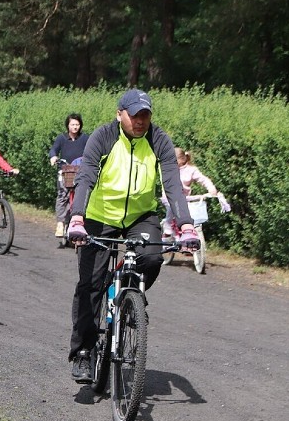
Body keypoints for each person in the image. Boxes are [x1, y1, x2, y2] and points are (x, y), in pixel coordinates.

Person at [66, 88, 201, 383]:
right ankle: (84, 352)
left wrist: (187, 225)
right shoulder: (102, 137)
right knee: (90, 286)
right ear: (120, 114)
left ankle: (131, 300)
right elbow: (86, 175)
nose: (141, 121)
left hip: (141, 216)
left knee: (152, 258)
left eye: (146, 115)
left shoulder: (159, 140)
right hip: (99, 217)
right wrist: (77, 217)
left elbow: (172, 184)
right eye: (135, 115)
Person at [161, 148, 230, 234]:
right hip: (169, 196)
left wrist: (211, 188)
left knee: (190, 214)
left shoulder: (191, 170)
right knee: (172, 206)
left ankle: (190, 232)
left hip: (184, 198)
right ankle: (167, 223)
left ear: (182, 159)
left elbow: (203, 179)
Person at [48, 112, 90, 237]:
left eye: (77, 124)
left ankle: (80, 223)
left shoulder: (84, 138)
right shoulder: (62, 138)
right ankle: (60, 224)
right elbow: (54, 149)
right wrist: (53, 156)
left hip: (80, 171)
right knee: (62, 196)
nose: (75, 127)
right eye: (72, 124)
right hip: (65, 171)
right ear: (68, 125)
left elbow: (90, 149)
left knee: (82, 196)